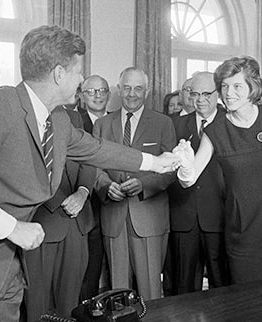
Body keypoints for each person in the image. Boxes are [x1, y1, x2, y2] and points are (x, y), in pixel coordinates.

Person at [0, 26, 178, 321]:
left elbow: (96, 149)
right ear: (58, 73)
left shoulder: (57, 118)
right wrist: (11, 228)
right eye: (79, 72)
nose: (81, 79)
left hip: (7, 272)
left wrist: (156, 163)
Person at [175, 56, 262, 284]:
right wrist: (185, 166)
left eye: (237, 86)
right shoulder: (215, 130)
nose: (229, 93)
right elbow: (189, 180)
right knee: (249, 299)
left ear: (252, 88)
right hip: (244, 230)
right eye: (224, 86)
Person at [93, 67, 176, 300]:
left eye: (138, 88)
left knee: (150, 291)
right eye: (127, 88)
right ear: (119, 90)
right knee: (117, 294)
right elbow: (93, 166)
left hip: (149, 217)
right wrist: (104, 185)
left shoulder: (163, 123)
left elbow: (171, 169)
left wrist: (144, 185)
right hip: (114, 215)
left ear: (147, 91)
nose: (132, 94)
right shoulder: (102, 124)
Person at [24, 107, 98, 319]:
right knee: (38, 303)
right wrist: (60, 200)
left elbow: (89, 157)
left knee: (71, 302)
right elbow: (23, 165)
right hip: (42, 221)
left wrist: (83, 192)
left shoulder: (74, 117)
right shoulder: (23, 113)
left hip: (77, 221)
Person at [166, 72, 229, 295]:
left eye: (206, 94)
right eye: (195, 94)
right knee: (184, 286)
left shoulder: (230, 122)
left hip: (220, 216)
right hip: (184, 215)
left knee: (221, 284)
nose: (200, 100)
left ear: (219, 94)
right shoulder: (174, 124)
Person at [77, 74, 110, 300]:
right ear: (81, 96)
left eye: (102, 91)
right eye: (91, 91)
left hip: (120, 202)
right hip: (87, 204)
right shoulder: (74, 121)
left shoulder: (118, 121)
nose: (97, 96)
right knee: (87, 266)